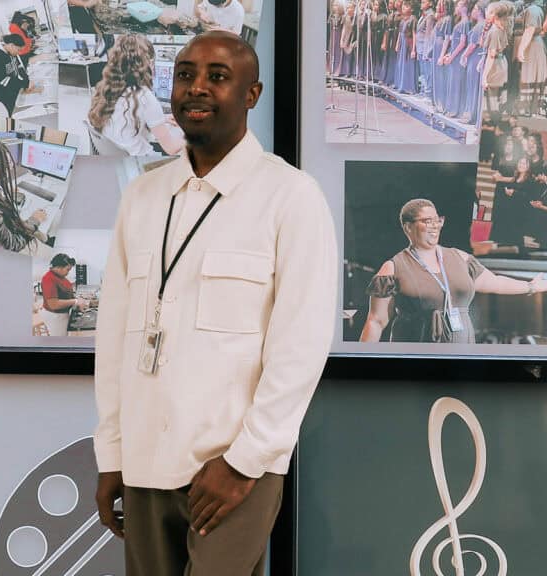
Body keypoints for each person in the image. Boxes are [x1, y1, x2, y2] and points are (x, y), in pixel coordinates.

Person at [94, 31, 337, 575]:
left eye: (217, 77)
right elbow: (114, 338)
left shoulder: (291, 197)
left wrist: (245, 461)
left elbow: (300, 345)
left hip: (231, 471)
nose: (196, 88)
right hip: (143, 462)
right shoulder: (142, 198)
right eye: (185, 75)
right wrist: (112, 454)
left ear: (252, 94)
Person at [360, 198, 547, 343]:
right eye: (426, 221)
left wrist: (531, 286)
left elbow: (495, 282)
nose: (434, 226)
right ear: (407, 227)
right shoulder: (393, 267)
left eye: (437, 220)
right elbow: (376, 321)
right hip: (415, 355)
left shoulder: (460, 257)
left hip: (460, 351)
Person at [88, 35, 185, 156]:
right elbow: (172, 148)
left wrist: (162, 119)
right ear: (147, 63)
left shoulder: (107, 88)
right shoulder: (144, 96)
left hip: (117, 161)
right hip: (143, 164)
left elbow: (126, 117)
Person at [0, 34, 37, 117]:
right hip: (3, 95)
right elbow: (3, 80)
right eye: (18, 50)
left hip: (13, 89)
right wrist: (24, 84)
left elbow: (20, 69)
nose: (19, 52)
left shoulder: (12, 53)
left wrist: (27, 81)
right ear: (11, 45)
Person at [40, 253, 90, 337]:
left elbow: (65, 291)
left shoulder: (60, 276)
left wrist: (78, 298)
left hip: (63, 314)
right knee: (59, 341)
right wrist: (75, 301)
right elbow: (54, 304)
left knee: (64, 336)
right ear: (59, 267)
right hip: (55, 316)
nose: (68, 273)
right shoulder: (48, 279)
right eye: (67, 269)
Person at [480, 1, 512, 117]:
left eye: (488, 12)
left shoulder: (495, 31)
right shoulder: (502, 28)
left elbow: (491, 55)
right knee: (496, 97)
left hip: (494, 66)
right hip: (501, 63)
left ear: (494, 14)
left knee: (491, 100)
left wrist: (484, 76)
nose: (486, 14)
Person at [517, 0, 547, 115]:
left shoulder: (533, 10)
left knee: (529, 76)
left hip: (532, 46)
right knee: (529, 76)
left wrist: (521, 49)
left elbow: (529, 30)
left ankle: (527, 109)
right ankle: (529, 108)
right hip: (532, 44)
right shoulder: (529, 8)